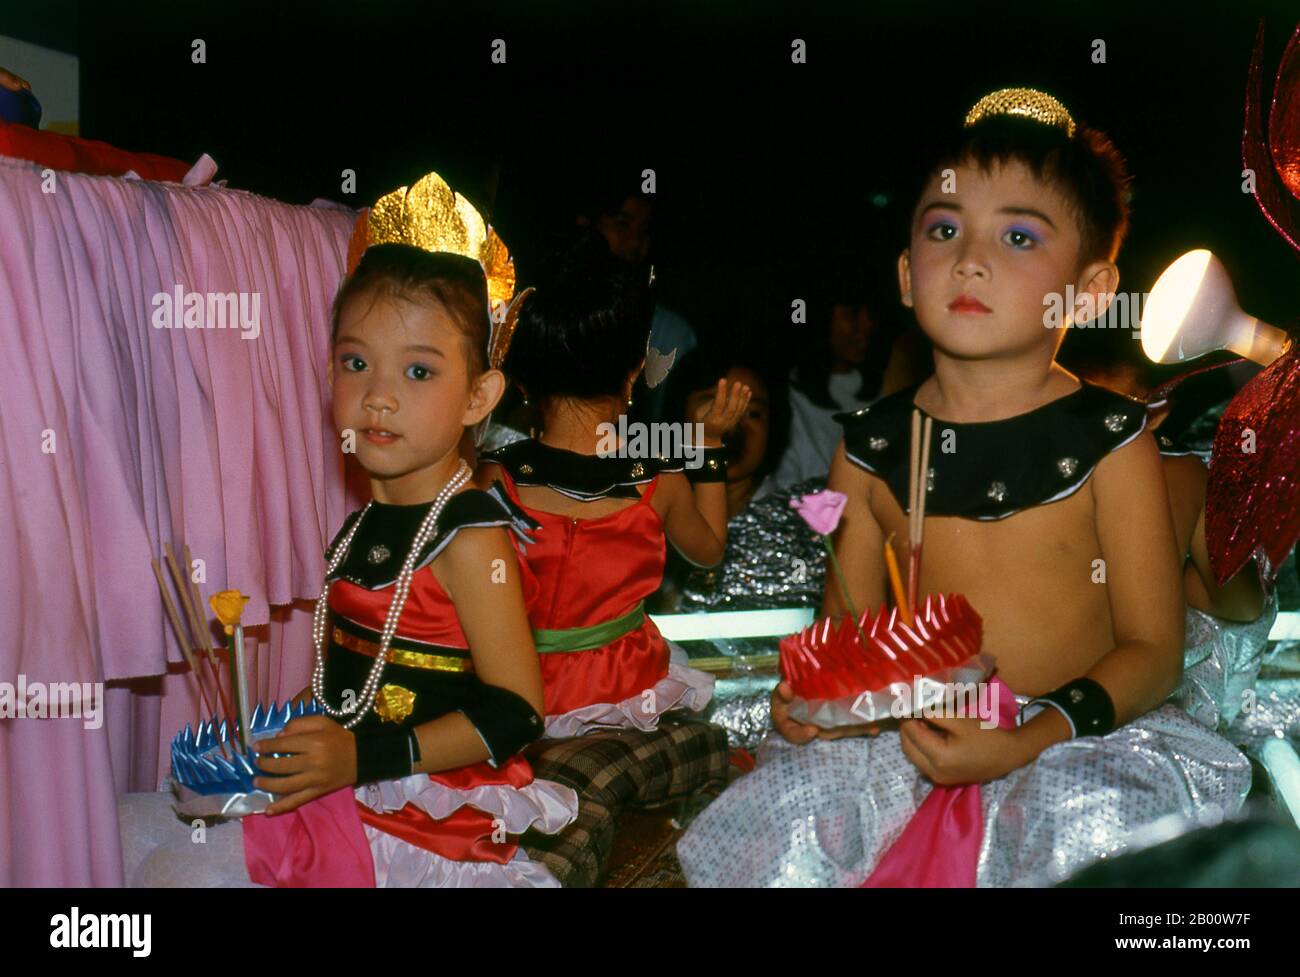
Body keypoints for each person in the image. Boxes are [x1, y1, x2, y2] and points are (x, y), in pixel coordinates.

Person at [677, 89, 1255, 887]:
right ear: (909, 275)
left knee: (1089, 830)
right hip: (914, 737)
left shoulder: (1112, 442)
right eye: (945, 229)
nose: (971, 258)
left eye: (1018, 235)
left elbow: (1153, 652)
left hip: (1072, 736)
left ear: (1088, 291)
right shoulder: (873, 446)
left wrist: (1023, 739)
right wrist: (813, 705)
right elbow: (847, 629)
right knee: (788, 814)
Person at [120, 174, 577, 887]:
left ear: (479, 395)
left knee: (173, 876)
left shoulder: (469, 537)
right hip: (341, 782)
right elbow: (349, 685)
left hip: (421, 812)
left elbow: (517, 710)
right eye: (355, 362)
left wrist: (360, 758)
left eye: (419, 370)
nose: (379, 394)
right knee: (124, 828)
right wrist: (295, 738)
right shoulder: (367, 516)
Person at [478, 235, 751, 736]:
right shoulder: (657, 479)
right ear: (632, 376)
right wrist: (708, 444)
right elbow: (709, 551)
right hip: (628, 699)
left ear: (521, 381)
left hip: (512, 695)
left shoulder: (493, 477)